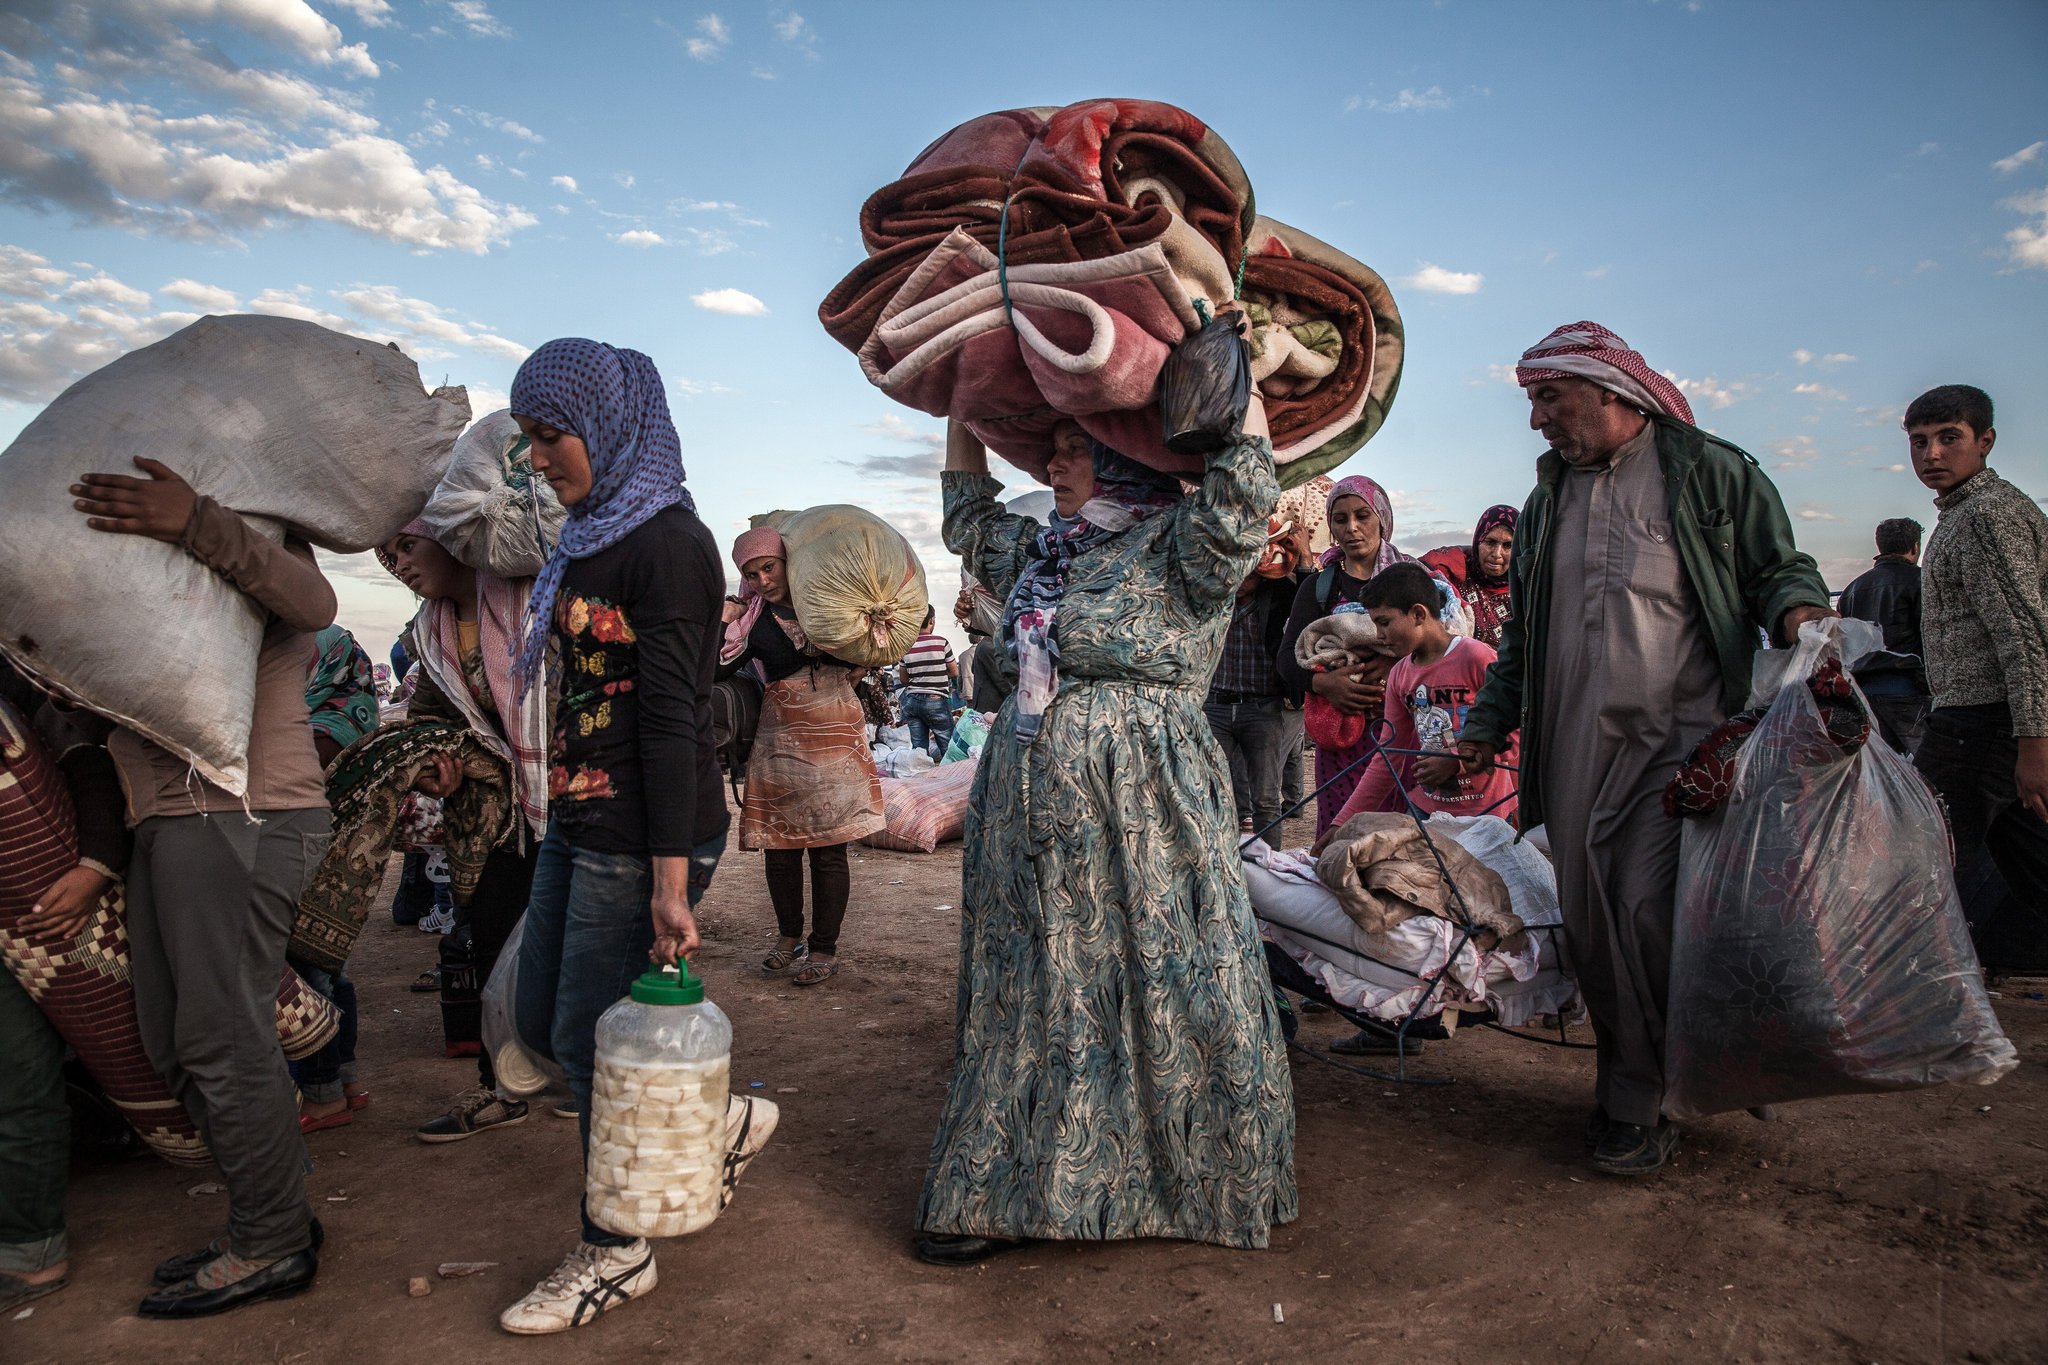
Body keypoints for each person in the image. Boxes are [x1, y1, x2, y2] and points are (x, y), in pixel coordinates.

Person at [916, 382, 1295, 1266]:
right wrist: (960, 390)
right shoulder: (1040, 555)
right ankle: (998, 1185)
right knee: (1032, 981)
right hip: (1027, 815)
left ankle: (1197, 1174)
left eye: (1076, 447)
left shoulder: (1183, 549)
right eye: (1049, 447)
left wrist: (1232, 370)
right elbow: (969, 513)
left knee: (1162, 973)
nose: (1053, 463)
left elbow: (1246, 482)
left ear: (1127, 454)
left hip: (1148, 814)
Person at [1455, 321, 1832, 1178]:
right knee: (1594, 928)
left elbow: (1778, 568)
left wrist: (1802, 614)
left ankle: (1643, 1098)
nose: (1537, 419)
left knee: (1647, 912)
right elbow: (1522, 639)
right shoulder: (1549, 499)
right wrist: (1484, 729)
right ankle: (1640, 1083)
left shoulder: (1711, 472)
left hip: (1684, 745)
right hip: (1578, 753)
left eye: (1549, 398)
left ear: (1612, 393)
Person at [497, 338, 733, 1334]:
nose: (538, 458)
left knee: (594, 1052)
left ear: (611, 428)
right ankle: (715, 1125)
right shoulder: (588, 536)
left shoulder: (671, 546)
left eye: (550, 437)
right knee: (549, 1032)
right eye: (529, 441)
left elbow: (676, 719)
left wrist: (669, 887)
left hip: (644, 830)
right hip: (583, 817)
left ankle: (613, 1252)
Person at [68, 454, 336, 1315]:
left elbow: (316, 606)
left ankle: (272, 1241)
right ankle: (275, 1211)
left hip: (242, 808)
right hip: (172, 818)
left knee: (223, 1040)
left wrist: (195, 519)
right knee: (176, 1041)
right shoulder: (132, 546)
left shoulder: (249, 524)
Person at [374, 520, 554, 1141]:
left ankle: (571, 1076)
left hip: (571, 802)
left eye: (404, 545)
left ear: (449, 537)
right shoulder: (429, 633)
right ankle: (500, 1087)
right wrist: (435, 769)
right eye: (384, 556)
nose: (396, 563)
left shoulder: (531, 599)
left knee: (580, 945)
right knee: (493, 944)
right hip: (492, 815)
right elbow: (431, 715)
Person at [1902, 385, 2048, 970]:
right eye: (1919, 442)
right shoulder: (1970, 513)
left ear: (1985, 441)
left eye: (1948, 439)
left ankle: (1911, 1003)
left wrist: (2035, 743)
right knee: (2035, 867)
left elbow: (2026, 634)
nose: (1931, 454)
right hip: (1987, 727)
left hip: (1978, 727)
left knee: (1915, 864)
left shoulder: (1986, 517)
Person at [0, 664, 129, 1314]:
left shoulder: (11, 673)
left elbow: (83, 754)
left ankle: (29, 1251)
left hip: (25, 911)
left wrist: (95, 864)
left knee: (18, 1081)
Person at [719, 525, 885, 987]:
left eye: (768, 568)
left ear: (791, 562)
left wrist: (866, 660)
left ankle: (824, 947)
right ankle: (787, 936)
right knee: (781, 847)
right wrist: (723, 619)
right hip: (781, 740)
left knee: (830, 850)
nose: (762, 582)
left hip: (836, 735)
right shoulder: (751, 623)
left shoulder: (833, 606)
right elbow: (714, 667)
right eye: (751, 575)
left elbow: (882, 639)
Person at [1325, 562, 1518, 828]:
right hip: (1426, 812)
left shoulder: (1476, 658)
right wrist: (1341, 824)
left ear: (1418, 614)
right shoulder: (1400, 675)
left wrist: (1457, 762)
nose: (1379, 636)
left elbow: (1516, 734)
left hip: (1487, 813)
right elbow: (1389, 756)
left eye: (1384, 622)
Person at [1276, 475, 1412, 833]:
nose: (1352, 528)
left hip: (1402, 737)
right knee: (1343, 837)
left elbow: (1440, 644)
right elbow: (1287, 658)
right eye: (1340, 519)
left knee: (1401, 840)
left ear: (1381, 517)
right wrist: (1325, 683)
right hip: (1343, 742)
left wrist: (1390, 664)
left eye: (1361, 516)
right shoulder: (1319, 587)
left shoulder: (1411, 579)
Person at [290, 624, 380, 1136]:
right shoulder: (352, 710)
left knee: (308, 975)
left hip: (311, 860)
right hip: (339, 867)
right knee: (330, 971)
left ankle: (323, 1097)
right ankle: (345, 1082)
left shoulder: (325, 728)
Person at [1205, 517, 1308, 834]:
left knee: (1265, 799)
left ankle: (1268, 869)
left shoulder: (1277, 596)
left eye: (1250, 567)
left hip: (1262, 708)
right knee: (1213, 793)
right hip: (1215, 708)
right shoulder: (1212, 598)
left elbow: (1308, 603)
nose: (1242, 577)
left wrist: (1304, 557)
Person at [1836, 517, 1930, 752]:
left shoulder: (1851, 589)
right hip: (1909, 688)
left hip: (1865, 692)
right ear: (1915, 547)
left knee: (1887, 767)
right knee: (1928, 765)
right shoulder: (1921, 581)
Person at [1421, 505, 1518, 649]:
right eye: (1490, 542)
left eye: (1508, 545)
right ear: (1478, 540)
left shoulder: (1526, 590)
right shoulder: (1454, 571)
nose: (1497, 554)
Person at [899, 607, 959, 757]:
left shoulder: (905, 647)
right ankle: (952, 777)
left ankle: (921, 775)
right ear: (931, 620)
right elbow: (954, 672)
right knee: (947, 748)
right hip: (936, 700)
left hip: (912, 701)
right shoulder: (941, 642)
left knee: (919, 750)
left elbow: (904, 679)